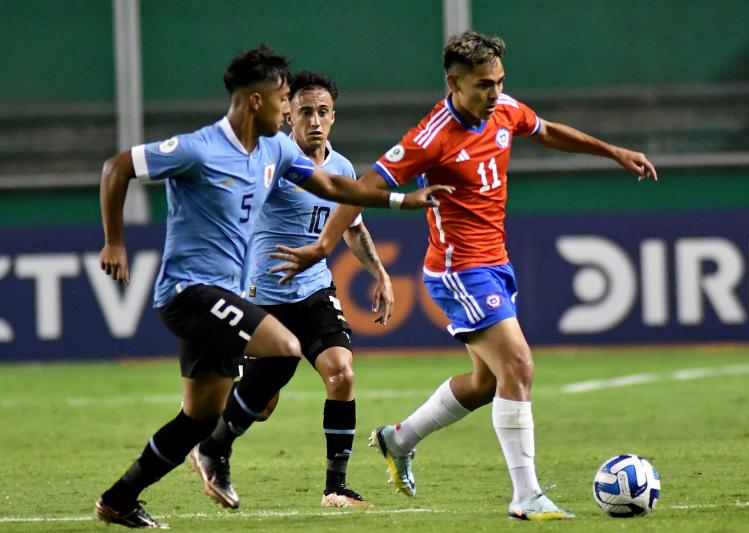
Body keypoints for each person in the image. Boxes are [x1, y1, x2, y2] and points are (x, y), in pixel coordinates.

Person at [269, 31, 657, 521]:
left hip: (496, 261)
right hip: (458, 269)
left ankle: (398, 439)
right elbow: (364, 186)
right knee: (519, 364)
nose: (494, 93)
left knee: (487, 383)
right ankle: (526, 495)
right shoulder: (430, 137)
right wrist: (325, 246)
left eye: (498, 82)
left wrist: (613, 152)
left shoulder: (503, 109)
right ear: (453, 83)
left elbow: (546, 130)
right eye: (482, 85)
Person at [93, 44, 449, 529]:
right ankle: (223, 444)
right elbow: (117, 167)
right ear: (257, 101)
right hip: (190, 291)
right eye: (286, 101)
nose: (291, 112)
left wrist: (403, 201)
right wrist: (114, 241)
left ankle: (120, 499)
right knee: (284, 348)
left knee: (199, 417)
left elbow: (333, 188)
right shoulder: (199, 148)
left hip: (232, 298)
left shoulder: (275, 150)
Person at [189, 70, 392, 510]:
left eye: (322, 112)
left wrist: (379, 272)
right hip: (263, 300)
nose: (314, 121)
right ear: (287, 117)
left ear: (334, 117)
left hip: (315, 293)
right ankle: (213, 444)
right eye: (305, 112)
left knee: (342, 374)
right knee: (262, 406)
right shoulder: (269, 164)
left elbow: (352, 229)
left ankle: (336, 487)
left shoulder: (339, 168)